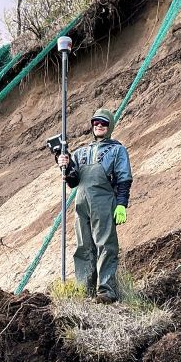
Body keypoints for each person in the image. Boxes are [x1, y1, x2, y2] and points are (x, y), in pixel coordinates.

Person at [56, 107, 132, 303]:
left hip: (104, 202)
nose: (99, 125)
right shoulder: (81, 152)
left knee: (106, 245)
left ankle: (106, 291)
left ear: (110, 126)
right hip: (81, 203)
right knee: (83, 247)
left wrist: (121, 204)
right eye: (96, 122)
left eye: (103, 123)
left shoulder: (117, 150)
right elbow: (73, 182)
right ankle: (85, 290)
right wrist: (64, 164)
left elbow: (124, 179)